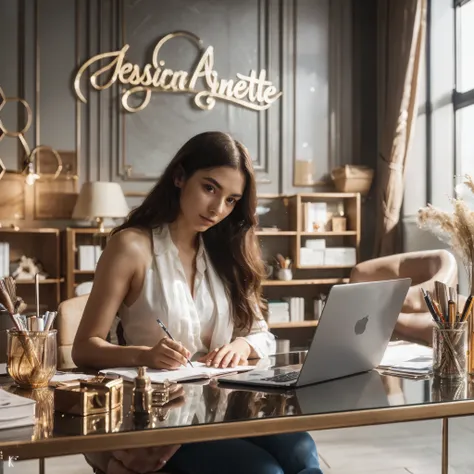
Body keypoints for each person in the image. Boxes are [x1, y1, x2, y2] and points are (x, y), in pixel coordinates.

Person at [72, 131, 324, 474]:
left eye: (232, 200)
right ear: (179, 177)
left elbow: (262, 333)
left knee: (302, 450)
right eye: (210, 188)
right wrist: (145, 356)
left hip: (229, 407)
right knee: (263, 471)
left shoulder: (228, 252)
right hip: (163, 416)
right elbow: (85, 349)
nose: (218, 209)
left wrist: (242, 343)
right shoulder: (131, 247)